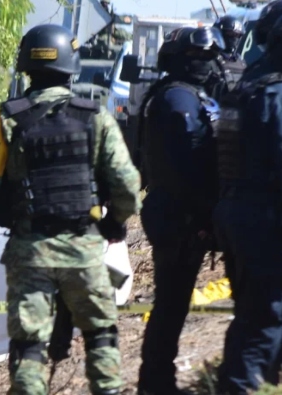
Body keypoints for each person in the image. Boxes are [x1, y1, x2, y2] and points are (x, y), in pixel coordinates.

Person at [0, 23, 141, 395]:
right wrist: (116, 223)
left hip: (30, 254)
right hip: (85, 252)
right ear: (71, 68)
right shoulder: (97, 117)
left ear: (27, 68)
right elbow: (127, 185)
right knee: (101, 339)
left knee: (29, 349)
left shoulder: (6, 119)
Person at [135, 26, 225, 395]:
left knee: (173, 307)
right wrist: (202, 217)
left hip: (192, 214)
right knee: (170, 308)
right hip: (178, 217)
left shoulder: (194, 95)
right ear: (176, 60)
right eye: (195, 58)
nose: (204, 64)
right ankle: (156, 385)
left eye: (208, 57)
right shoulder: (176, 99)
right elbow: (187, 166)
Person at [213, 1, 282, 392]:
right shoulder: (274, 90)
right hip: (264, 220)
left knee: (249, 321)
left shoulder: (249, 82)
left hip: (238, 214)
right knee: (264, 325)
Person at [210, 15, 247, 100]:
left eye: (238, 35)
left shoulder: (241, 61)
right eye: (230, 34)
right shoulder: (209, 59)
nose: (234, 38)